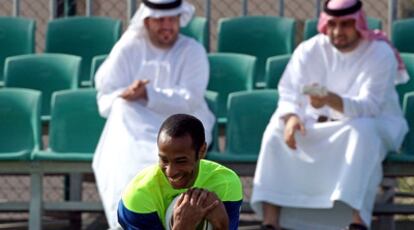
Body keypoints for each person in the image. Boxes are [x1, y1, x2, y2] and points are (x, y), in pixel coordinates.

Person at [250, 0, 409, 229]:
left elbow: (370, 107)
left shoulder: (380, 53)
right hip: (317, 123)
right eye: (332, 24)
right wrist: (292, 116)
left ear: (358, 23)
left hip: (373, 124)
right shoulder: (310, 49)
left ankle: (357, 221)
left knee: (361, 132)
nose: (337, 32)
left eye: (345, 24)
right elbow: (288, 91)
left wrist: (329, 99)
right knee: (277, 127)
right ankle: (271, 222)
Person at [92, 0, 215, 228]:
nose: (166, 25)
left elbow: (191, 99)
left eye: (171, 19)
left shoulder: (192, 50)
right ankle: (126, 218)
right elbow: (106, 94)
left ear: (180, 20)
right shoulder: (130, 46)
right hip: (134, 128)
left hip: (183, 125)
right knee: (121, 109)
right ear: (146, 20)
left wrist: (148, 93)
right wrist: (127, 93)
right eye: (160, 20)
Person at [117, 114, 243, 230]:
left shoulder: (225, 183)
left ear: (202, 151)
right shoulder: (139, 195)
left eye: (181, 161)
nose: (171, 172)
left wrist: (222, 225)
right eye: (164, 160)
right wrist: (182, 226)